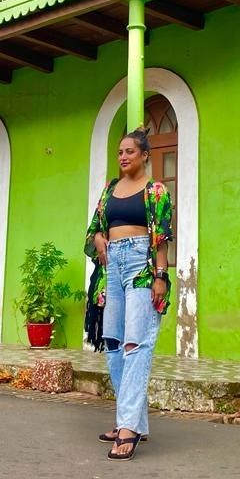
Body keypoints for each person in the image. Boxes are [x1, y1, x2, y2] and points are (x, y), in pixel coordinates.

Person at [85, 127, 173, 461]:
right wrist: (97, 239)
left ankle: (128, 429)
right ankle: (132, 419)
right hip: (112, 267)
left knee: (136, 344)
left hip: (141, 266)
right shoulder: (110, 189)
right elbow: (95, 227)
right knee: (113, 343)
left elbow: (162, 237)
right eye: (120, 152)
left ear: (144, 155)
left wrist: (160, 277)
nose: (123, 157)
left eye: (129, 152)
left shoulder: (156, 191)